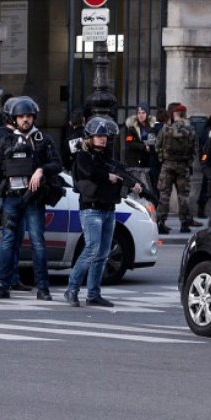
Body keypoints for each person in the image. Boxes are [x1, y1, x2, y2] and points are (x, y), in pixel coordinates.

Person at [0, 97, 63, 301]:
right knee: (7, 242)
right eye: (21, 116)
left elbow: (58, 164)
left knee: (38, 242)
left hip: (34, 199)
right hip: (11, 197)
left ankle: (43, 288)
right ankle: (2, 285)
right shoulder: (6, 140)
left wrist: (41, 170)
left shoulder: (43, 140)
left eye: (28, 116)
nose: (25, 120)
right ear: (15, 118)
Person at [63, 116, 142, 308]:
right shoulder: (83, 156)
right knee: (91, 250)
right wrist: (109, 176)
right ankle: (72, 289)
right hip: (91, 210)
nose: (102, 139)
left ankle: (93, 293)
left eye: (104, 136)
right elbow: (89, 172)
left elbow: (119, 174)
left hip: (108, 209)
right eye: (98, 136)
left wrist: (133, 184)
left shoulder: (106, 157)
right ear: (90, 137)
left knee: (103, 253)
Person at [0, 96, 34, 292]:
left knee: (14, 238)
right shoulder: (4, 136)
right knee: (9, 237)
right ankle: (0, 277)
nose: (25, 119)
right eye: (20, 115)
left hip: (15, 191)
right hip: (7, 191)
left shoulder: (16, 134)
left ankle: (11, 277)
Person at [155, 104, 202, 234]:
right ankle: (185, 224)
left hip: (167, 165)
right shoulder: (191, 131)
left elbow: (157, 146)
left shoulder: (165, 130)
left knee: (164, 195)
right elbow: (195, 150)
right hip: (183, 166)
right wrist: (188, 162)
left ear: (175, 115)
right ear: (185, 115)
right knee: (183, 196)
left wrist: (163, 159)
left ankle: (160, 222)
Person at [124, 102, 159, 196]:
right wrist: (144, 147)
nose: (141, 115)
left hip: (149, 160)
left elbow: (154, 141)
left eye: (143, 113)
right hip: (135, 161)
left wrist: (150, 147)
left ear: (147, 114)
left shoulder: (152, 127)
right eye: (139, 113)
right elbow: (129, 143)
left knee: (150, 186)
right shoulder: (132, 128)